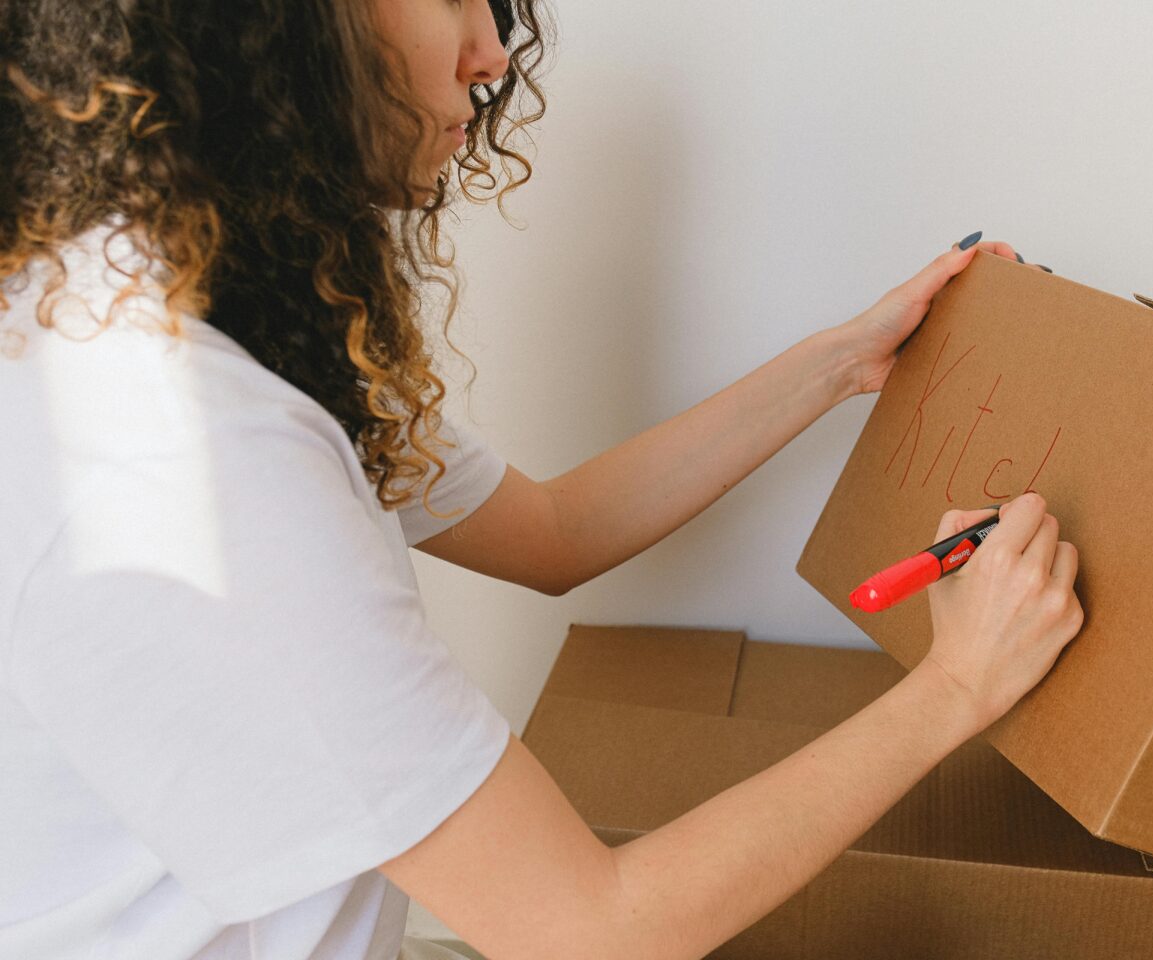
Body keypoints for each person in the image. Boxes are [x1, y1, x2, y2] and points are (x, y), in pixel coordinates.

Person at [0, 1, 1083, 958]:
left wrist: (846, 360)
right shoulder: (195, 459)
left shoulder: (141, 300)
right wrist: (958, 687)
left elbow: (555, 532)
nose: (491, 52)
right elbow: (593, 932)